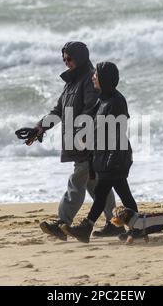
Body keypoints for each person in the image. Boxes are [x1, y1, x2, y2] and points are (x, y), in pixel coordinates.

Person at [22, 42, 125, 241]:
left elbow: (92, 109)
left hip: (87, 142)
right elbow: (58, 111)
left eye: (69, 59)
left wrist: (84, 135)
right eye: (64, 60)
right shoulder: (71, 83)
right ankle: (115, 223)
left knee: (77, 180)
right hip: (78, 141)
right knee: (95, 185)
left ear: (79, 57)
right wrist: (39, 127)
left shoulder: (90, 79)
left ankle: (62, 223)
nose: (66, 63)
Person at [61, 61, 138, 243]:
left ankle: (86, 228)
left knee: (102, 192)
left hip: (115, 156)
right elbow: (95, 124)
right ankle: (137, 228)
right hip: (105, 156)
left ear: (104, 78)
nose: (93, 77)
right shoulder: (102, 99)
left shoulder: (116, 101)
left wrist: (108, 155)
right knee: (120, 193)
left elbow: (115, 130)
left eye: (95, 75)